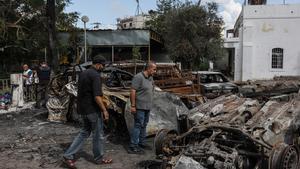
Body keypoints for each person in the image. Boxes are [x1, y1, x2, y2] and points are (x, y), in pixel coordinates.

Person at [63, 54, 112, 168]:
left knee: (84, 132)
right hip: (92, 110)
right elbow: (97, 97)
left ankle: (68, 155)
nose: (103, 67)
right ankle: (99, 158)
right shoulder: (95, 75)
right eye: (103, 65)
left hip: (83, 109)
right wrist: (104, 110)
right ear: (98, 64)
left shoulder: (84, 73)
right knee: (98, 134)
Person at [128, 61, 157, 154]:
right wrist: (133, 105)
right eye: (154, 69)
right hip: (139, 106)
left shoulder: (150, 78)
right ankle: (133, 146)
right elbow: (133, 91)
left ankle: (141, 142)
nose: (155, 71)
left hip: (147, 106)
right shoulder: (138, 77)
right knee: (138, 125)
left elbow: (151, 89)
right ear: (148, 68)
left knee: (144, 125)